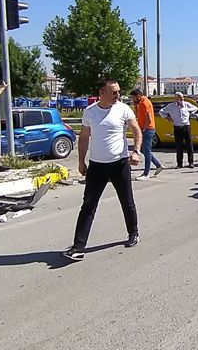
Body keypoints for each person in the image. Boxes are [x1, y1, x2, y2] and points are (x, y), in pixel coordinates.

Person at [64, 80, 143, 261]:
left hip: (119, 164)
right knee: (88, 205)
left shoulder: (123, 109)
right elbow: (84, 137)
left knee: (127, 201)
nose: (118, 95)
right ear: (102, 92)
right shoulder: (90, 112)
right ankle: (78, 246)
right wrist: (81, 162)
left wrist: (136, 151)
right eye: (114, 92)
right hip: (97, 166)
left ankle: (134, 233)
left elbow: (136, 130)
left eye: (118, 92)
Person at [130, 89, 163, 180]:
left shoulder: (145, 103)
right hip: (145, 128)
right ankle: (158, 165)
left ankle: (146, 174)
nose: (133, 100)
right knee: (144, 150)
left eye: (133, 97)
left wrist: (144, 128)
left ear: (138, 96)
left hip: (147, 129)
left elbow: (148, 118)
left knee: (147, 150)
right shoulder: (140, 102)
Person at [158, 92, 198, 169]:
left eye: (182, 97)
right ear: (176, 98)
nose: (182, 99)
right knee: (179, 146)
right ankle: (179, 163)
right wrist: (167, 117)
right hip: (177, 127)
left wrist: (190, 112)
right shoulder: (171, 106)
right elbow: (161, 112)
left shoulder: (186, 104)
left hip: (186, 126)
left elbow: (195, 108)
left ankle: (191, 162)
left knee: (189, 145)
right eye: (180, 97)